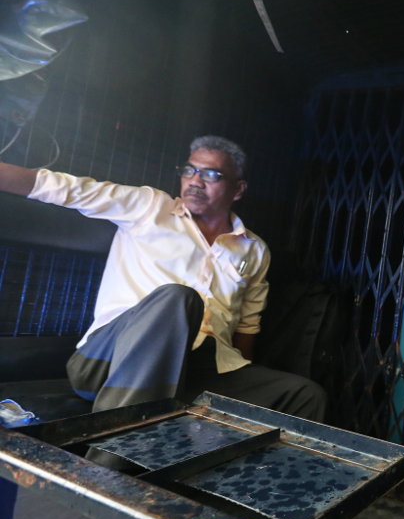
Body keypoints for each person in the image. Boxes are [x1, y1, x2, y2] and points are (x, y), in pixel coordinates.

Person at [0, 136, 326, 422]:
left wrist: (242, 376)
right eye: (189, 170)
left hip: (196, 371)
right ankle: (110, 462)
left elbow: (247, 326)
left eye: (211, 174)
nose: (195, 181)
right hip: (108, 361)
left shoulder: (253, 249)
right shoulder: (150, 207)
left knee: (303, 394)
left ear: (238, 189)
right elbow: (66, 189)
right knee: (179, 298)